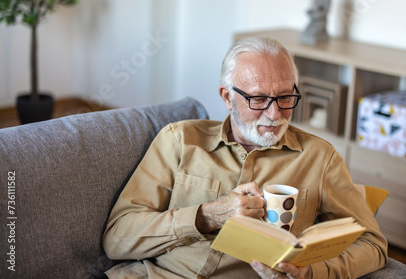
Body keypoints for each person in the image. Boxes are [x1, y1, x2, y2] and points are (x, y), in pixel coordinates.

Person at [102, 37, 388, 278]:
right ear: (227, 97)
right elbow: (117, 240)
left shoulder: (319, 158)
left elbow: (373, 244)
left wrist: (311, 272)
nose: (274, 114)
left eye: (286, 97)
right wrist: (206, 216)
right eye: (258, 99)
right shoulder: (180, 140)